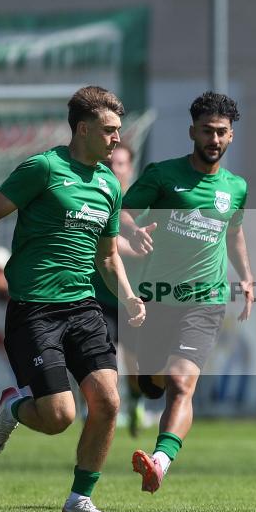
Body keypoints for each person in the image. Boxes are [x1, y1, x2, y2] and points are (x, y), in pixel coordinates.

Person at [0, 86, 146, 512]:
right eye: (109, 130)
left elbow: (107, 256)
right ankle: (14, 406)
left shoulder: (109, 185)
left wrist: (129, 296)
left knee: (108, 401)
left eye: (118, 130)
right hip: (35, 310)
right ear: (83, 129)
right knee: (59, 416)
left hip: (84, 308)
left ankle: (80, 499)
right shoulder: (43, 167)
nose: (117, 138)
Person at [124, 91, 253, 494]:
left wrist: (246, 276)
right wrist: (132, 231)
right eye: (207, 131)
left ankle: (160, 462)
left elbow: (234, 231)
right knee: (151, 383)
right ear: (192, 132)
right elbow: (122, 212)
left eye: (222, 132)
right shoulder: (162, 176)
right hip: (157, 297)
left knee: (181, 382)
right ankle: (140, 398)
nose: (214, 139)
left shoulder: (236, 187)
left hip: (205, 301)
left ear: (231, 136)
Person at [93, 143, 148, 437]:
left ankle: (136, 400)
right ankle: (98, 413)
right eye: (110, 163)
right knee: (102, 361)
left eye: (121, 163)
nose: (114, 168)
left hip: (136, 298)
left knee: (134, 364)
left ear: (130, 167)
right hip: (101, 295)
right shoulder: (97, 197)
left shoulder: (142, 204)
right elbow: (102, 244)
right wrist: (127, 247)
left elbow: (153, 244)